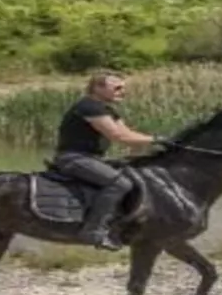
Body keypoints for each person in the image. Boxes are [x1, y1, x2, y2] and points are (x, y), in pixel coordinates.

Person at [47, 71, 167, 251]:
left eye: (123, 88)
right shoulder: (89, 107)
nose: (122, 92)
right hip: (73, 158)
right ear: (98, 88)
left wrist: (157, 144)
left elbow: (128, 134)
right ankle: (93, 231)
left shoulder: (106, 109)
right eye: (117, 88)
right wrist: (157, 139)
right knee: (119, 184)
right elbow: (118, 136)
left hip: (92, 158)